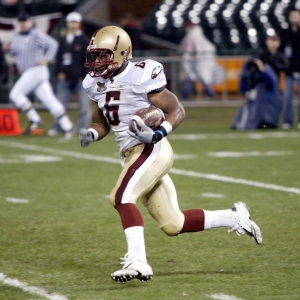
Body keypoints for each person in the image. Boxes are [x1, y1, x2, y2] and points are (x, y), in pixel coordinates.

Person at [79, 26, 262, 283]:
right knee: (172, 224)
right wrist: (92, 133)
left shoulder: (142, 74)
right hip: (131, 154)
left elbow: (176, 109)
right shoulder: (94, 83)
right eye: (95, 56)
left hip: (151, 148)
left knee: (121, 196)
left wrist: (157, 134)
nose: (97, 62)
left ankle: (138, 262)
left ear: (122, 53)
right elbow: (102, 123)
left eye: (103, 55)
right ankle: (234, 216)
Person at [4, 12, 74, 137]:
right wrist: (8, 49)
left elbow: (53, 44)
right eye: (21, 22)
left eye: (25, 21)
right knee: (49, 100)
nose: (23, 24)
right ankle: (67, 127)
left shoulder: (35, 34)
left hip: (36, 69)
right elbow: (13, 53)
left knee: (15, 94)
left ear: (30, 22)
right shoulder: (17, 37)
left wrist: (47, 59)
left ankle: (35, 118)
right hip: (28, 72)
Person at [48, 12, 91, 137]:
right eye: (71, 22)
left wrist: (85, 75)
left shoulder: (84, 40)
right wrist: (59, 72)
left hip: (80, 78)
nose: (73, 24)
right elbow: (59, 57)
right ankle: (57, 126)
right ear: (67, 23)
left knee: (84, 105)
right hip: (65, 77)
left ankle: (82, 127)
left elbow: (88, 60)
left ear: (79, 24)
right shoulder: (63, 39)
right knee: (60, 105)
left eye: (75, 22)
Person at [232, 58, 282, 130]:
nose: (253, 68)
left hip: (268, 105)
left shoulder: (266, 72)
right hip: (255, 105)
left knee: (267, 124)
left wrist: (263, 70)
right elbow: (243, 89)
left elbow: (272, 82)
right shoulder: (248, 74)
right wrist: (244, 76)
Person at [178, 21, 216, 99]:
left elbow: (191, 50)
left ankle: (210, 94)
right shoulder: (196, 34)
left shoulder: (193, 35)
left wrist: (186, 58)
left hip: (197, 60)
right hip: (198, 60)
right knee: (193, 78)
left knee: (195, 77)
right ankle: (210, 94)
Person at [279, 9, 300, 129]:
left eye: (297, 15)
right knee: (287, 97)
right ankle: (287, 121)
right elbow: (281, 52)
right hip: (288, 70)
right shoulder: (284, 33)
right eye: (292, 15)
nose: (295, 17)